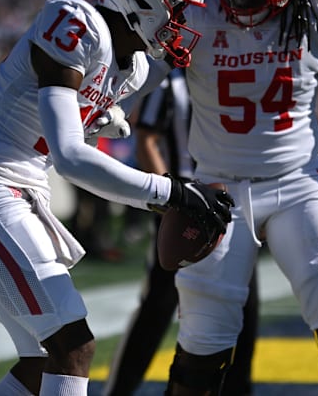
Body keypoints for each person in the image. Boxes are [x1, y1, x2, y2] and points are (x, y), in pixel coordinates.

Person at [118, 0, 318, 394]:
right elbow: (138, 78)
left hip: (299, 182)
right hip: (216, 192)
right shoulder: (191, 10)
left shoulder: (316, 8)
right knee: (200, 355)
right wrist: (102, 106)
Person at [0, 0, 233, 396]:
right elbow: (71, 157)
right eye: (176, 5)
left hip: (18, 190)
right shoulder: (76, 21)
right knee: (73, 346)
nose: (179, 19)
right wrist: (173, 192)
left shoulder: (133, 66)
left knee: (44, 363)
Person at [103, 68, 258, 396]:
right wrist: (175, 196)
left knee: (244, 306)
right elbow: (146, 140)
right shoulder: (172, 82)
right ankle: (118, 391)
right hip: (185, 204)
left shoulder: (233, 68)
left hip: (230, 206)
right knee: (158, 305)